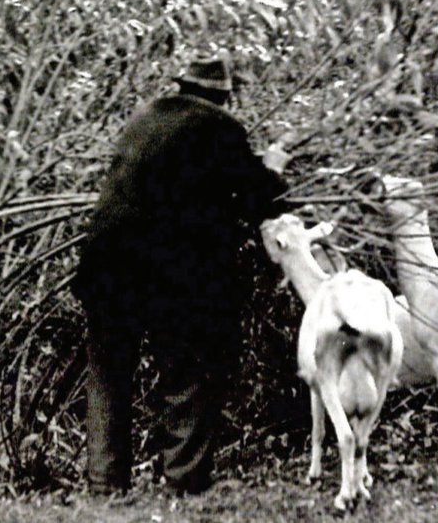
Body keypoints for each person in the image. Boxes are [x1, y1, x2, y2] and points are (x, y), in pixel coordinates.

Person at [71, 53, 291, 495]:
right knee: (189, 373)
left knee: (109, 376)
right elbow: (261, 201)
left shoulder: (143, 117)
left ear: (182, 87)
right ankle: (184, 480)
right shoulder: (220, 128)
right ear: (223, 96)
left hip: (106, 268)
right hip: (173, 276)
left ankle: (103, 485)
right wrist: (274, 166)